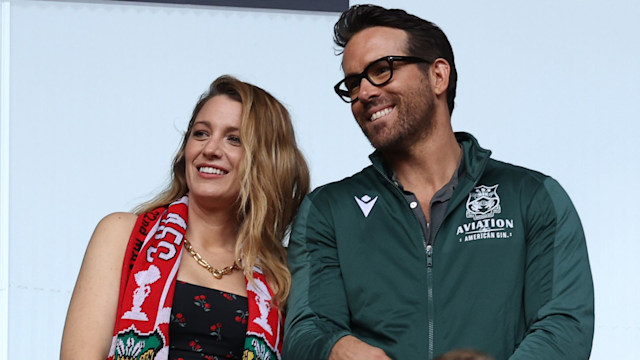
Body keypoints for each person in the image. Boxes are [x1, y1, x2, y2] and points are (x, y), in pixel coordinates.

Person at [283, 4, 594, 360]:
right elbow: (308, 327)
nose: (365, 92)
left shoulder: (533, 197)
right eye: (354, 83)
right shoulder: (328, 210)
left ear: (438, 76)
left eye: (382, 70)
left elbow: (563, 330)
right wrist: (335, 346)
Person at [61, 75, 310, 360]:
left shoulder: (283, 273)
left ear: (268, 160)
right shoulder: (121, 235)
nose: (210, 149)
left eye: (234, 139)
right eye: (201, 133)